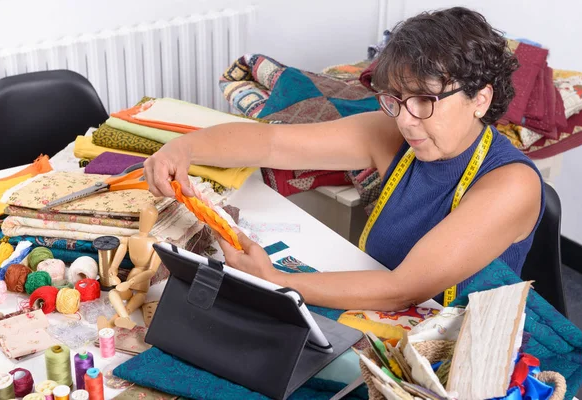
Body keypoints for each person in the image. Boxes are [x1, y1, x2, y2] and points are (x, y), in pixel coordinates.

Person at [143, 7, 543, 311]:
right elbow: (271, 143)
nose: (405, 119)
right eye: (397, 100)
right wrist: (184, 148)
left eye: (426, 100)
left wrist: (273, 278)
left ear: (481, 98)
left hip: (463, 349)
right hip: (396, 315)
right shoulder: (396, 133)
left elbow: (404, 287)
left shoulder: (511, 185)